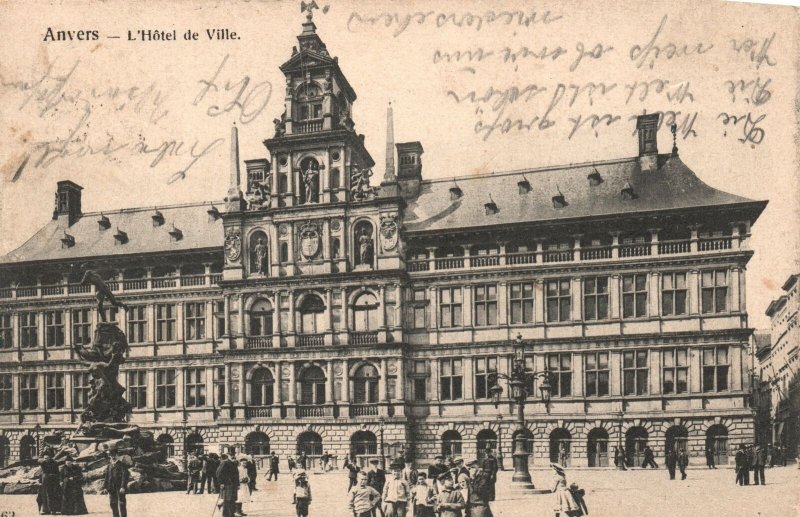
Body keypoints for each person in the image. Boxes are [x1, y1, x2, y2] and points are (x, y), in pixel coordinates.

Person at [104, 449, 129, 517]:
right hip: (111, 487)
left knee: (122, 503)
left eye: (114, 455)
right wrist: (105, 487)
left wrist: (123, 486)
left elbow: (125, 476)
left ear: (117, 456)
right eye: (111, 455)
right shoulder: (109, 466)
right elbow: (107, 476)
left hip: (120, 487)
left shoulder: (122, 465)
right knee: (113, 503)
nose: (112, 457)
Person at [37, 449, 62, 515]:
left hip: (53, 481)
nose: (46, 459)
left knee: (53, 495)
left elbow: (57, 472)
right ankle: (46, 510)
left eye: (47, 458)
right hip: (45, 481)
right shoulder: (43, 463)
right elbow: (42, 472)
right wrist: (40, 481)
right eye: (45, 458)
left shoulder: (54, 463)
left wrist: (57, 479)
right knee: (44, 495)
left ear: (50, 458)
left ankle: (53, 510)